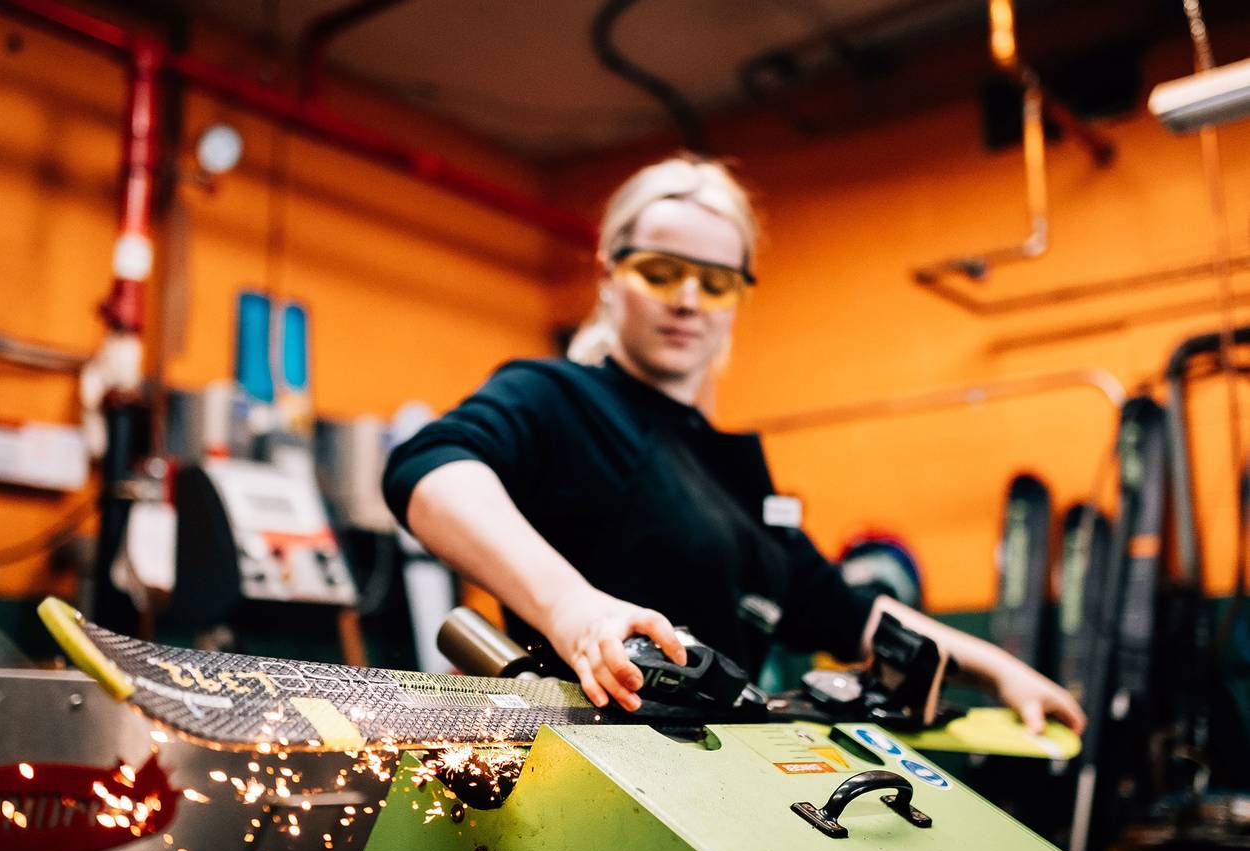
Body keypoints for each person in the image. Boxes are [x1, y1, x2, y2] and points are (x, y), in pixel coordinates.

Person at [383, 154, 1086, 735]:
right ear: (607, 273)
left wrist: (1001, 667)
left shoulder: (736, 473)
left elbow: (849, 611)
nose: (687, 300)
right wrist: (573, 609)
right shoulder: (558, 398)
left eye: (714, 282)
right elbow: (429, 469)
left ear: (737, 298)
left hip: (734, 790)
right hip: (591, 777)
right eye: (661, 272)